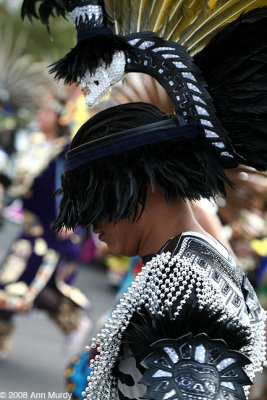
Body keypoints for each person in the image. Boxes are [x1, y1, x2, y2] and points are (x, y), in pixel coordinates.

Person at [21, 1, 267, 399]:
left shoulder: (186, 283)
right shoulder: (189, 260)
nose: (90, 223)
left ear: (146, 184)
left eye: (99, 201)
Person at [0, 97, 90, 356]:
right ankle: (2, 340)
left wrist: (71, 218)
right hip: (30, 228)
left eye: (46, 112)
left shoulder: (67, 150)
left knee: (31, 287)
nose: (40, 116)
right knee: (13, 284)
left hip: (53, 230)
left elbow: (79, 187)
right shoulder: (34, 144)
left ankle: (73, 324)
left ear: (59, 118)